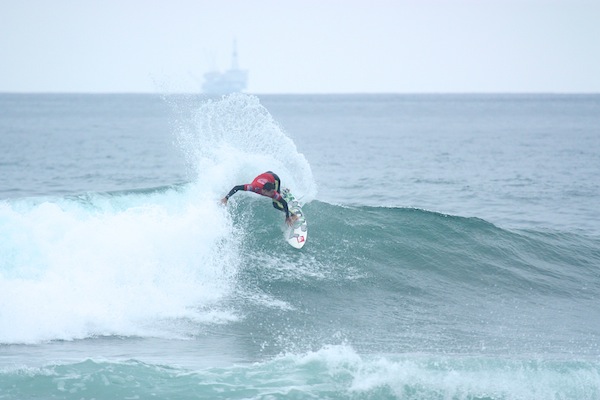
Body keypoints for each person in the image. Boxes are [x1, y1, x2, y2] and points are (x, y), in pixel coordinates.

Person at [221, 171, 299, 226]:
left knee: (276, 204)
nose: (273, 194)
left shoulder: (273, 193)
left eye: (273, 192)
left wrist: (288, 216)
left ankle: (294, 215)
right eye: (271, 192)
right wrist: (226, 198)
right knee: (276, 197)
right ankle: (282, 190)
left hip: (274, 179)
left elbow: (284, 203)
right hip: (267, 175)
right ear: (264, 191)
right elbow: (237, 187)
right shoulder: (253, 187)